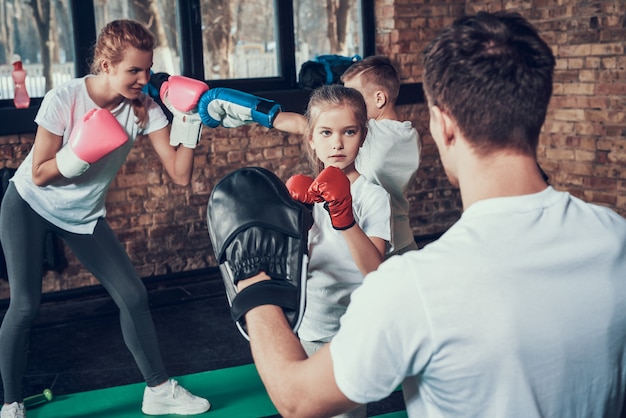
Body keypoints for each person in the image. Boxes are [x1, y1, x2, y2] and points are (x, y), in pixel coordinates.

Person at [208, 11, 626, 418]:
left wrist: (253, 280)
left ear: (442, 125)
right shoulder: (615, 239)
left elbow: (298, 400)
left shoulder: (416, 287)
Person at [0, 20, 211, 418]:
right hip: (28, 203)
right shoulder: (64, 98)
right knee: (25, 306)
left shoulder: (145, 108)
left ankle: (159, 390)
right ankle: (10, 403)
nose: (143, 79)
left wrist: (190, 120)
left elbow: (180, 173)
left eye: (147, 69)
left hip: (82, 215)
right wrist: (81, 152)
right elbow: (41, 173)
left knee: (133, 295)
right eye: (134, 70)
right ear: (105, 65)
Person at [198, 56, 420, 257]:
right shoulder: (409, 135)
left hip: (374, 244)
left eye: (354, 95)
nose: (345, 103)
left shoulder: (375, 134)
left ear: (379, 98)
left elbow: (308, 125)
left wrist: (251, 110)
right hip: (403, 243)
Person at [284, 84, 391, 418]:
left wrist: (345, 218)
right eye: (326, 132)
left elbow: (375, 271)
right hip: (309, 323)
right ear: (312, 138)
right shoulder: (303, 194)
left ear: (363, 135)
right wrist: (292, 220)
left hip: (352, 329)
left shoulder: (373, 197)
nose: (337, 143)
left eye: (349, 131)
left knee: (346, 413)